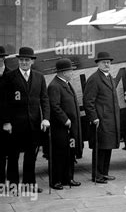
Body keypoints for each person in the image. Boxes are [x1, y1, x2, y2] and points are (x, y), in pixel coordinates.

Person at [2, 47, 50, 192]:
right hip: (15, 125)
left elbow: (44, 99)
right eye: (21, 60)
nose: (24, 62)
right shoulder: (10, 77)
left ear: (32, 61)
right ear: (18, 61)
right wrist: (6, 121)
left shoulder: (39, 77)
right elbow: (4, 101)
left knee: (31, 156)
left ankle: (29, 185)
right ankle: (12, 185)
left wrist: (46, 118)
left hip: (33, 124)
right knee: (13, 156)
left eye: (27, 60)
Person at [83, 52, 120, 184]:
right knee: (100, 148)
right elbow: (88, 101)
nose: (106, 64)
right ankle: (96, 175)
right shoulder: (94, 79)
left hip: (110, 119)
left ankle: (104, 173)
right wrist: (94, 117)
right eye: (104, 62)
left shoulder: (109, 77)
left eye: (108, 62)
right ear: (98, 63)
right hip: (100, 120)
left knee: (107, 146)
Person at [47, 58, 83, 190]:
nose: (72, 72)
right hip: (60, 128)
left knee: (69, 152)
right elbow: (54, 106)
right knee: (59, 154)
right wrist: (65, 119)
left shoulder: (66, 83)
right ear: (63, 72)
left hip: (69, 127)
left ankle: (68, 178)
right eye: (70, 70)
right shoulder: (54, 86)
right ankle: (55, 181)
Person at [0, 46, 11, 184]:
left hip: (7, 122)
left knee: (4, 154)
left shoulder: (10, 75)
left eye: (1, 57)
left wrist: (7, 121)